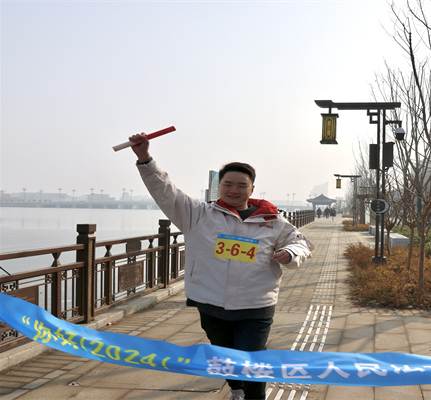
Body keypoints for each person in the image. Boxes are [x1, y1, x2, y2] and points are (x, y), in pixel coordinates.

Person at [128, 133, 314, 400]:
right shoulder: (198, 215)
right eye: (228, 184)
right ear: (219, 186)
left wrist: (290, 252)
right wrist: (145, 159)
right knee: (224, 356)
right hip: (211, 302)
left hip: (256, 302)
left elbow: (301, 243)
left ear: (252, 189)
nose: (234, 190)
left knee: (253, 360)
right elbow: (165, 192)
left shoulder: (272, 221)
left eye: (241, 185)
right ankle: (236, 389)